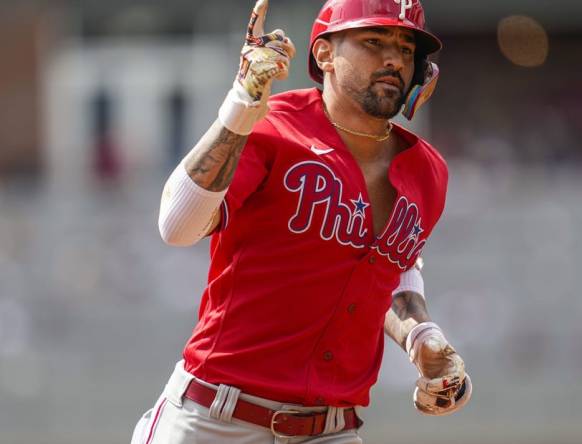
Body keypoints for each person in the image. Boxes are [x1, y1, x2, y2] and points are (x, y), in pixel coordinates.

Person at [132, 0, 471, 442]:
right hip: (215, 419)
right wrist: (239, 106)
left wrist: (421, 335)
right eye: (374, 41)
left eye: (406, 49)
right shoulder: (271, 126)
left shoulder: (429, 170)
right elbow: (176, 226)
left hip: (331, 429)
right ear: (325, 54)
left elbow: (391, 264)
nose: (393, 59)